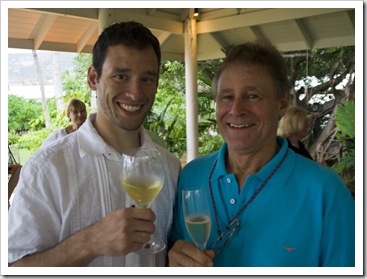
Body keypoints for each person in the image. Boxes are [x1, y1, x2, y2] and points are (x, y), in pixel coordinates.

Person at [8, 21, 181, 267]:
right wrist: (90, 242)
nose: (135, 93)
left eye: (147, 79)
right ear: (93, 78)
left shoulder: (170, 168)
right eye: (120, 76)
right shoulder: (47, 169)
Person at [168, 41, 355, 267]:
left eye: (253, 96)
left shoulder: (326, 192)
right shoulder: (191, 176)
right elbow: (173, 251)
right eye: (227, 96)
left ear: (282, 104)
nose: (236, 110)